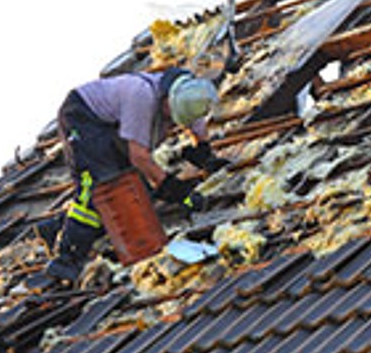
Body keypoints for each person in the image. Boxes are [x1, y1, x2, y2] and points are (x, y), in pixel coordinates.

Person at [36, 66, 229, 284]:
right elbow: (139, 157)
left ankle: (55, 228)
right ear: (167, 98)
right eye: (169, 116)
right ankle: (67, 258)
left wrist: (205, 155)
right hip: (83, 117)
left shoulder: (190, 95)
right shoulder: (141, 96)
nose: (170, 122)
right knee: (100, 186)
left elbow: (197, 128)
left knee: (130, 192)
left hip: (111, 126)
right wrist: (175, 189)